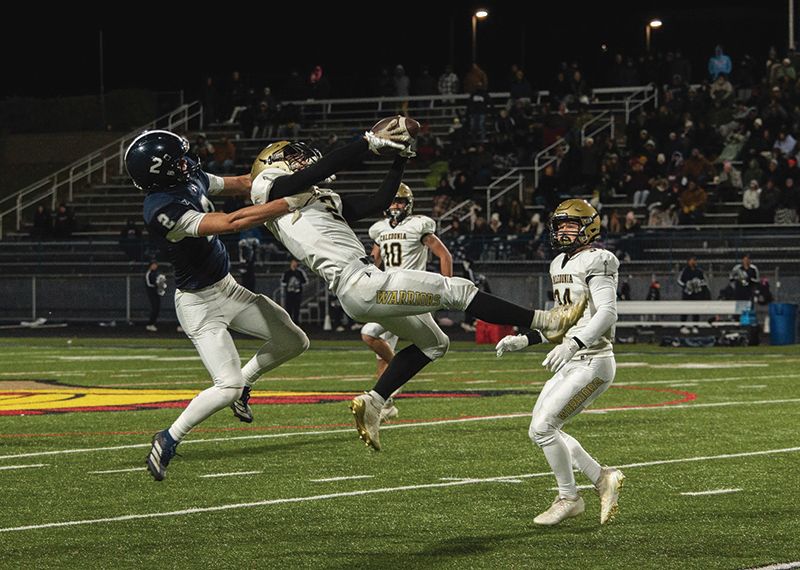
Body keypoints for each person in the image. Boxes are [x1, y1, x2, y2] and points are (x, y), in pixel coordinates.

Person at [249, 128, 585, 452]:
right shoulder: (272, 190)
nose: (301, 161)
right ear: (270, 165)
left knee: (435, 343)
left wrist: (400, 160)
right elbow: (323, 168)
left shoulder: (314, 199)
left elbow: (379, 200)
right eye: (291, 156)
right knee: (459, 291)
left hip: (360, 287)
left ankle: (374, 401)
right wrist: (367, 142)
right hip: (362, 282)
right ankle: (545, 321)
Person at [126, 129, 322, 481]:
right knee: (225, 385)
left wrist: (293, 175)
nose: (188, 162)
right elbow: (232, 222)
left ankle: (246, 384)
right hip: (199, 305)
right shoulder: (160, 210)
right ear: (162, 171)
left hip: (228, 289)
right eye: (178, 160)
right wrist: (295, 201)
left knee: (295, 341)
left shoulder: (189, 176)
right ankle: (169, 437)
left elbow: (245, 182)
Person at [495, 199, 624, 527]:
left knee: (544, 427)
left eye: (571, 225)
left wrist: (575, 344)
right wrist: (527, 339)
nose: (563, 231)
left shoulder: (599, 259)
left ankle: (569, 497)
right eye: (560, 225)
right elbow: (561, 319)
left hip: (594, 360)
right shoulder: (557, 264)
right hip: (572, 357)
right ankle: (601, 477)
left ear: (589, 227)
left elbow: (608, 312)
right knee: (538, 430)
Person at [361, 183, 453, 422]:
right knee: (380, 351)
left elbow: (444, 255)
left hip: (413, 295)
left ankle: (399, 367)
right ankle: (386, 404)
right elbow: (374, 262)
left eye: (400, 202)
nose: (395, 206)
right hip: (389, 294)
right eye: (392, 201)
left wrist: (447, 287)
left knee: (370, 333)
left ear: (408, 204)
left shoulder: (418, 225)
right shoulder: (379, 230)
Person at [677, 256, 711, 333]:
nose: (693, 262)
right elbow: (679, 280)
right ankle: (683, 326)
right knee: (685, 310)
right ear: (688, 261)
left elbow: (705, 281)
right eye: (691, 260)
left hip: (696, 293)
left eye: (694, 260)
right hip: (687, 293)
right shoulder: (684, 271)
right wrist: (686, 285)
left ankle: (695, 326)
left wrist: (698, 284)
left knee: (696, 310)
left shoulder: (699, 271)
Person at [281, 258, 307, 323]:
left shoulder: (300, 272)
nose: (294, 264)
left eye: (295, 262)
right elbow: (283, 282)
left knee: (296, 309)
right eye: (293, 262)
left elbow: (305, 281)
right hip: (289, 294)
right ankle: (289, 323)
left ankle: (296, 323)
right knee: (288, 309)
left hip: (297, 294)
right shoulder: (287, 273)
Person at [145, 261, 167, 332]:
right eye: (153, 265)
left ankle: (152, 323)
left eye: (155, 265)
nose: (154, 266)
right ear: (150, 266)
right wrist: (157, 284)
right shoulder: (149, 273)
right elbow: (149, 284)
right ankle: (149, 324)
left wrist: (162, 285)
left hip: (156, 293)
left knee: (157, 308)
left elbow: (160, 282)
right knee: (154, 308)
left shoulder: (157, 273)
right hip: (152, 293)